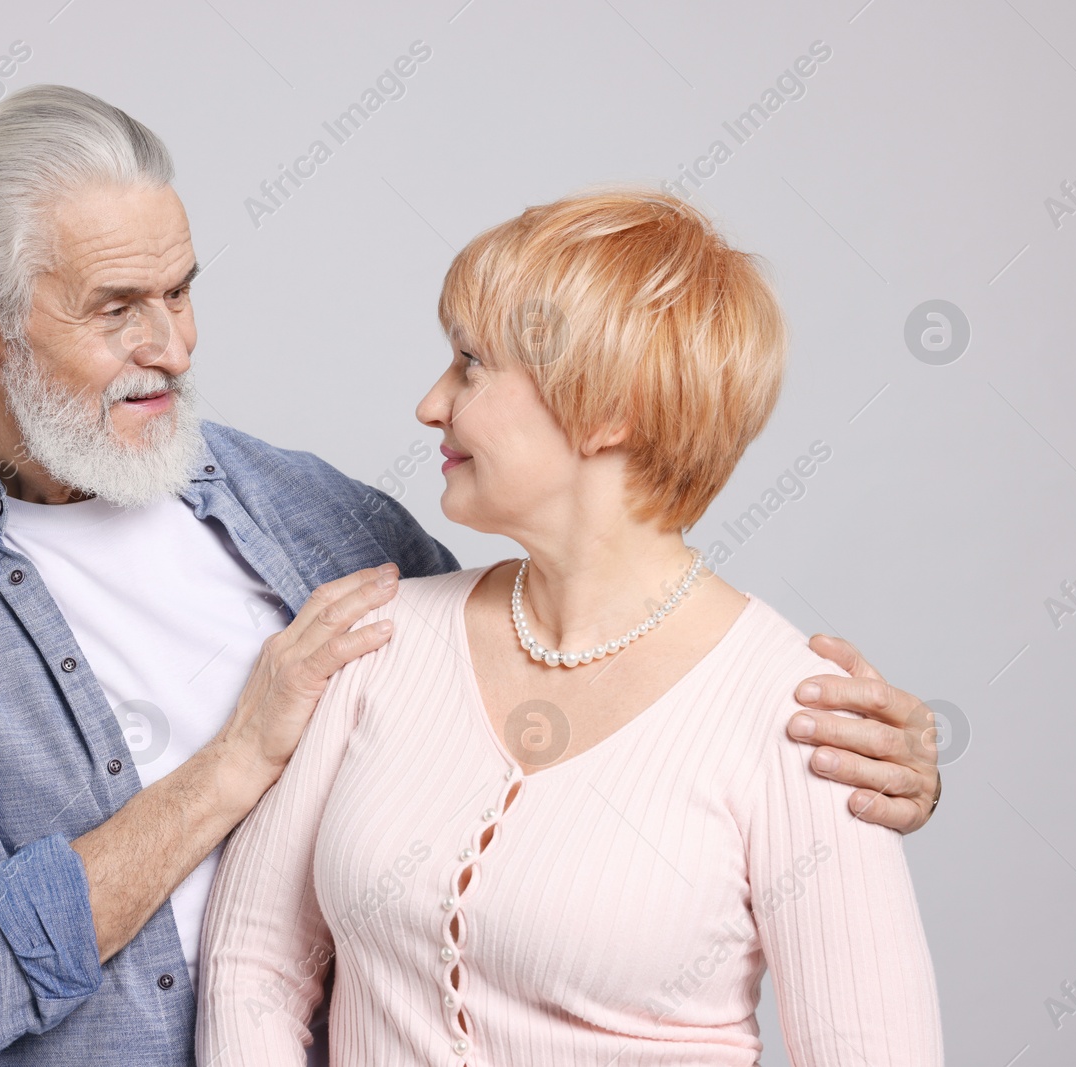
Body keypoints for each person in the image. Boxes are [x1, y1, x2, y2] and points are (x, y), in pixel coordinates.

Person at [0, 84, 940, 1066]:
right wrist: (238, 757)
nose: (175, 346)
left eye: (182, 290)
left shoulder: (325, 524)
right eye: (116, 309)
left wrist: (856, 783)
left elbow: (574, 660)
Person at [197, 190, 942, 1066]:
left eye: (472, 364)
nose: (431, 404)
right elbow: (253, 962)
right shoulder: (379, 634)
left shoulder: (800, 715)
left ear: (607, 409)